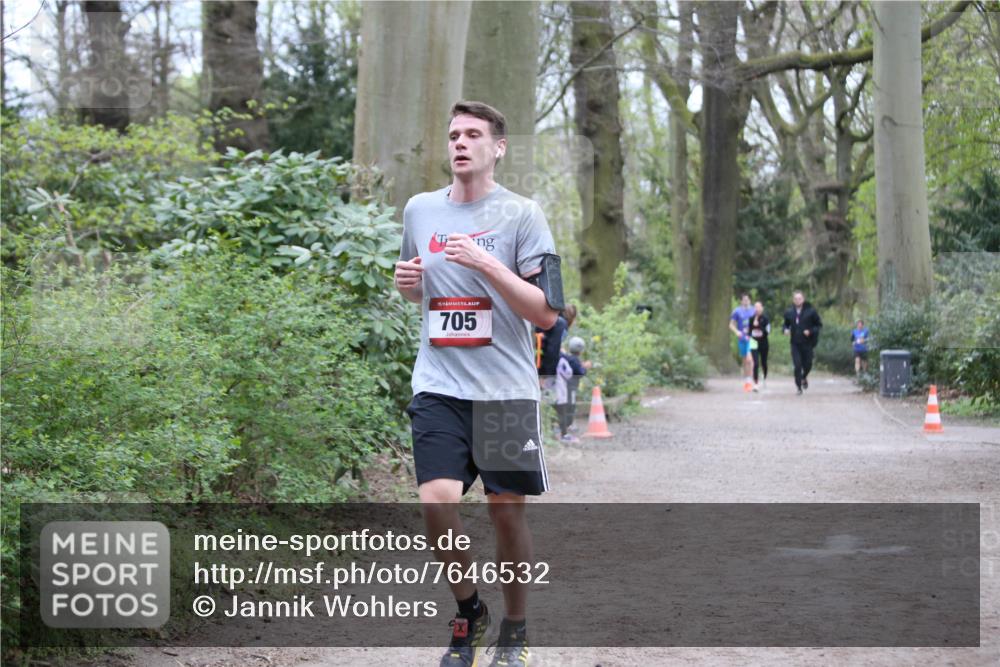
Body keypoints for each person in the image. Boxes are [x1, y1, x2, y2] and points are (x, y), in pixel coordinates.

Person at [394, 101, 559, 667]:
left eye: (472, 135)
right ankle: (469, 612)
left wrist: (488, 264)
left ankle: (514, 630)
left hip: (505, 390)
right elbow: (420, 290)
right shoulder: (420, 210)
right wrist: (407, 283)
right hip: (439, 384)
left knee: (505, 512)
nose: (460, 143)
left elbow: (545, 313)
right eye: (453, 135)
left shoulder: (522, 215)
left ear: (498, 147)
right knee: (435, 503)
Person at [782, 290, 823, 395]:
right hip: (795, 343)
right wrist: (785, 330)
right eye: (795, 299)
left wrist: (810, 331)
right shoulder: (789, 312)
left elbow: (818, 325)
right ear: (793, 300)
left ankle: (804, 376)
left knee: (808, 364)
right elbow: (785, 325)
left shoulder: (811, 311)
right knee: (797, 365)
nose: (797, 300)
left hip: (808, 343)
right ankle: (798, 387)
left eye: (799, 298)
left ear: (803, 299)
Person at [555, 336, 590, 443]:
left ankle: (564, 426)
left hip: (564, 387)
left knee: (567, 407)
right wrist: (585, 368)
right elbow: (580, 372)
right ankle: (565, 428)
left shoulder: (567, 358)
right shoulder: (574, 360)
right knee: (570, 407)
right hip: (570, 387)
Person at [728, 293, 756, 392]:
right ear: (741, 301)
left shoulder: (754, 310)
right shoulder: (737, 311)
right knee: (745, 361)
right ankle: (747, 380)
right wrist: (737, 332)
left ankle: (752, 380)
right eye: (744, 300)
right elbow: (731, 325)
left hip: (752, 338)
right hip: (742, 338)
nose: (746, 301)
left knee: (750, 359)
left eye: (747, 300)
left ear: (750, 301)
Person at [749, 301, 770, 390]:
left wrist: (759, 327)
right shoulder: (751, 318)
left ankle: (764, 378)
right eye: (755, 307)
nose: (757, 309)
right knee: (756, 363)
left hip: (764, 343)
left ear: (762, 308)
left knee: (763, 362)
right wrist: (752, 330)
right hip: (753, 342)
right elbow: (749, 331)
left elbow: (768, 331)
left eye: (758, 307)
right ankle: (756, 383)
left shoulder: (765, 318)